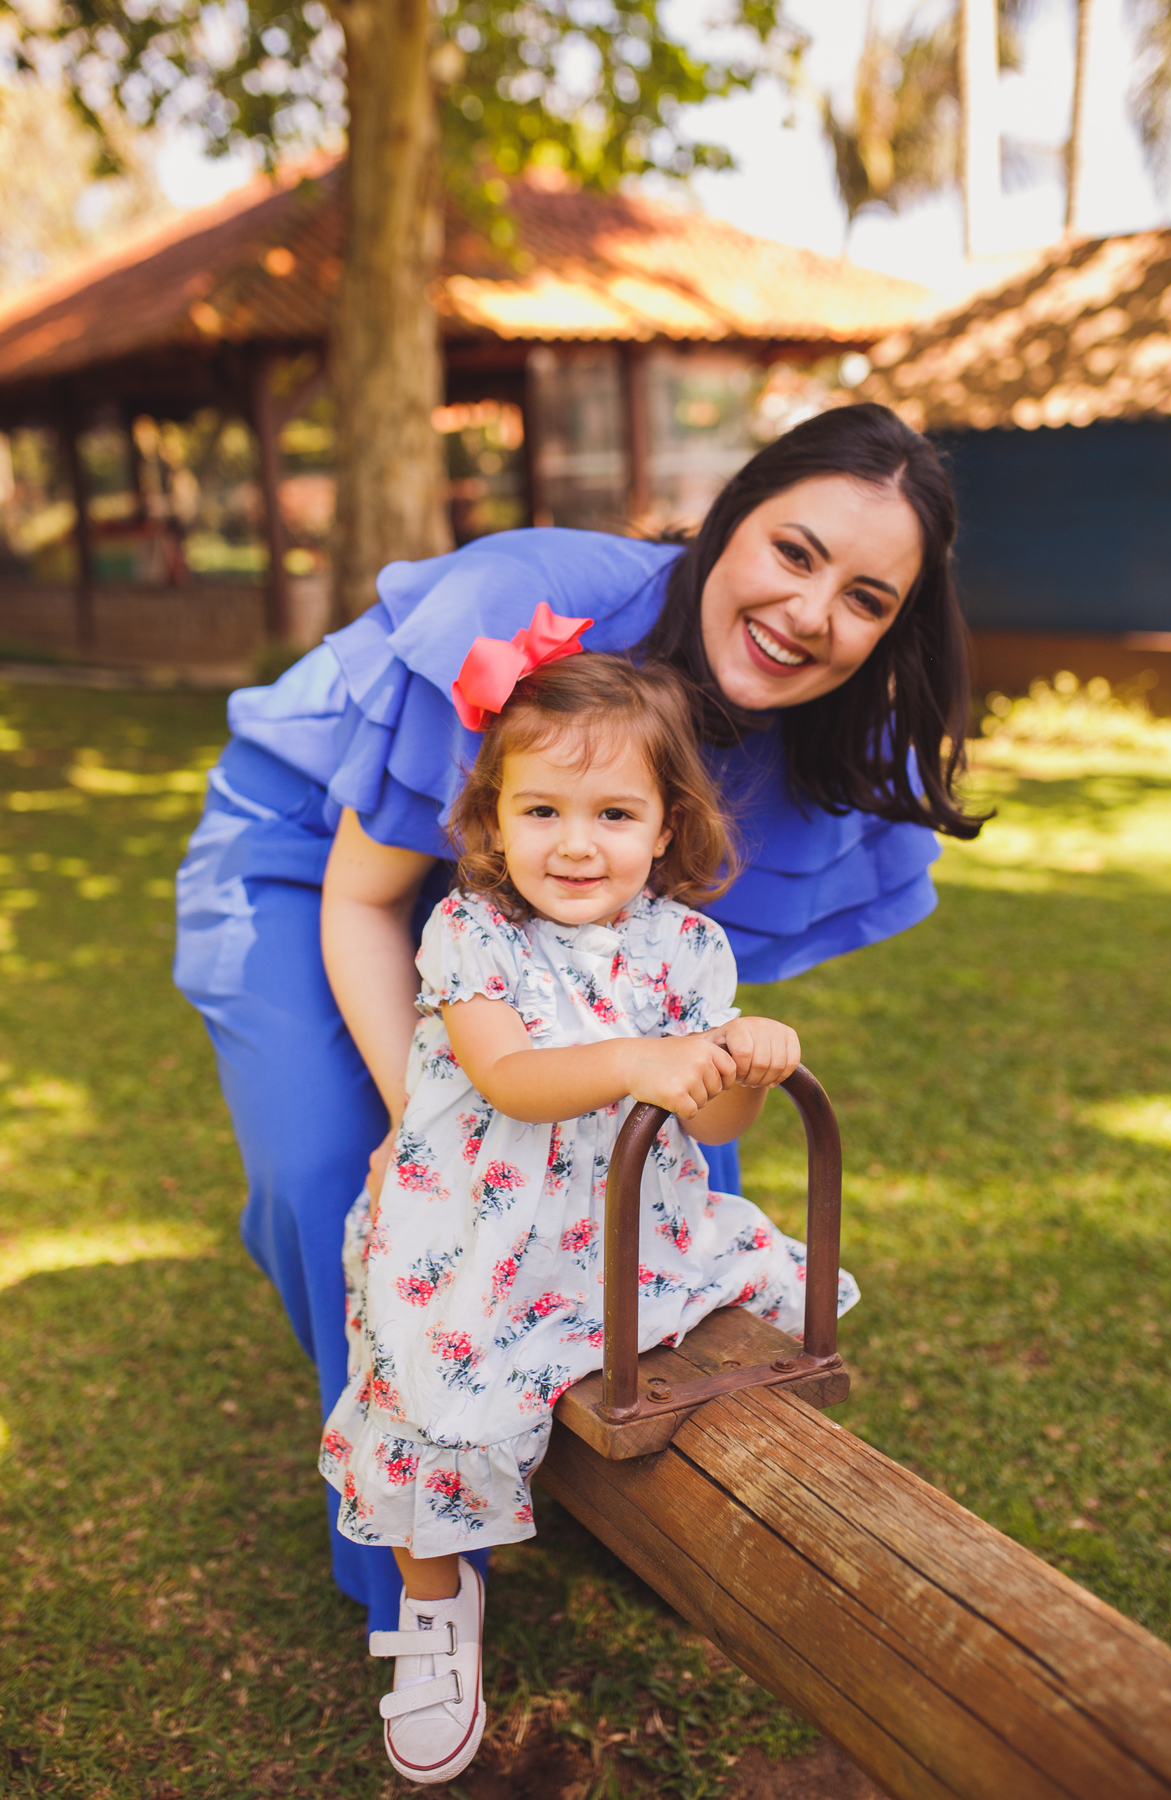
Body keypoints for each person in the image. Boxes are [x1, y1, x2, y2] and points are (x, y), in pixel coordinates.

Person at [174, 402, 983, 1635]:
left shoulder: (826, 730)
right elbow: (367, 898)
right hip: (323, 864)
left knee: (670, 1169)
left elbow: (663, 998)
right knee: (344, 1175)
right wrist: (440, 1138)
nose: (815, 615)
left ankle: (613, 1479)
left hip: (549, 913)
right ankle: (418, 1568)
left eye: (869, 599)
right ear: (728, 524)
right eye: (797, 553)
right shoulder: (529, 604)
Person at [317, 640, 860, 1784]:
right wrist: (642, 1059)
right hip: (472, 1227)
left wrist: (746, 1066)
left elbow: (715, 1136)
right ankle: (432, 1607)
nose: (575, 842)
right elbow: (513, 1080)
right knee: (430, 1390)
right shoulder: (473, 934)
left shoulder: (690, 951)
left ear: (667, 826)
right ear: (494, 819)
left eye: (614, 812)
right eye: (543, 809)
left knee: (711, 1324)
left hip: (614, 1233)